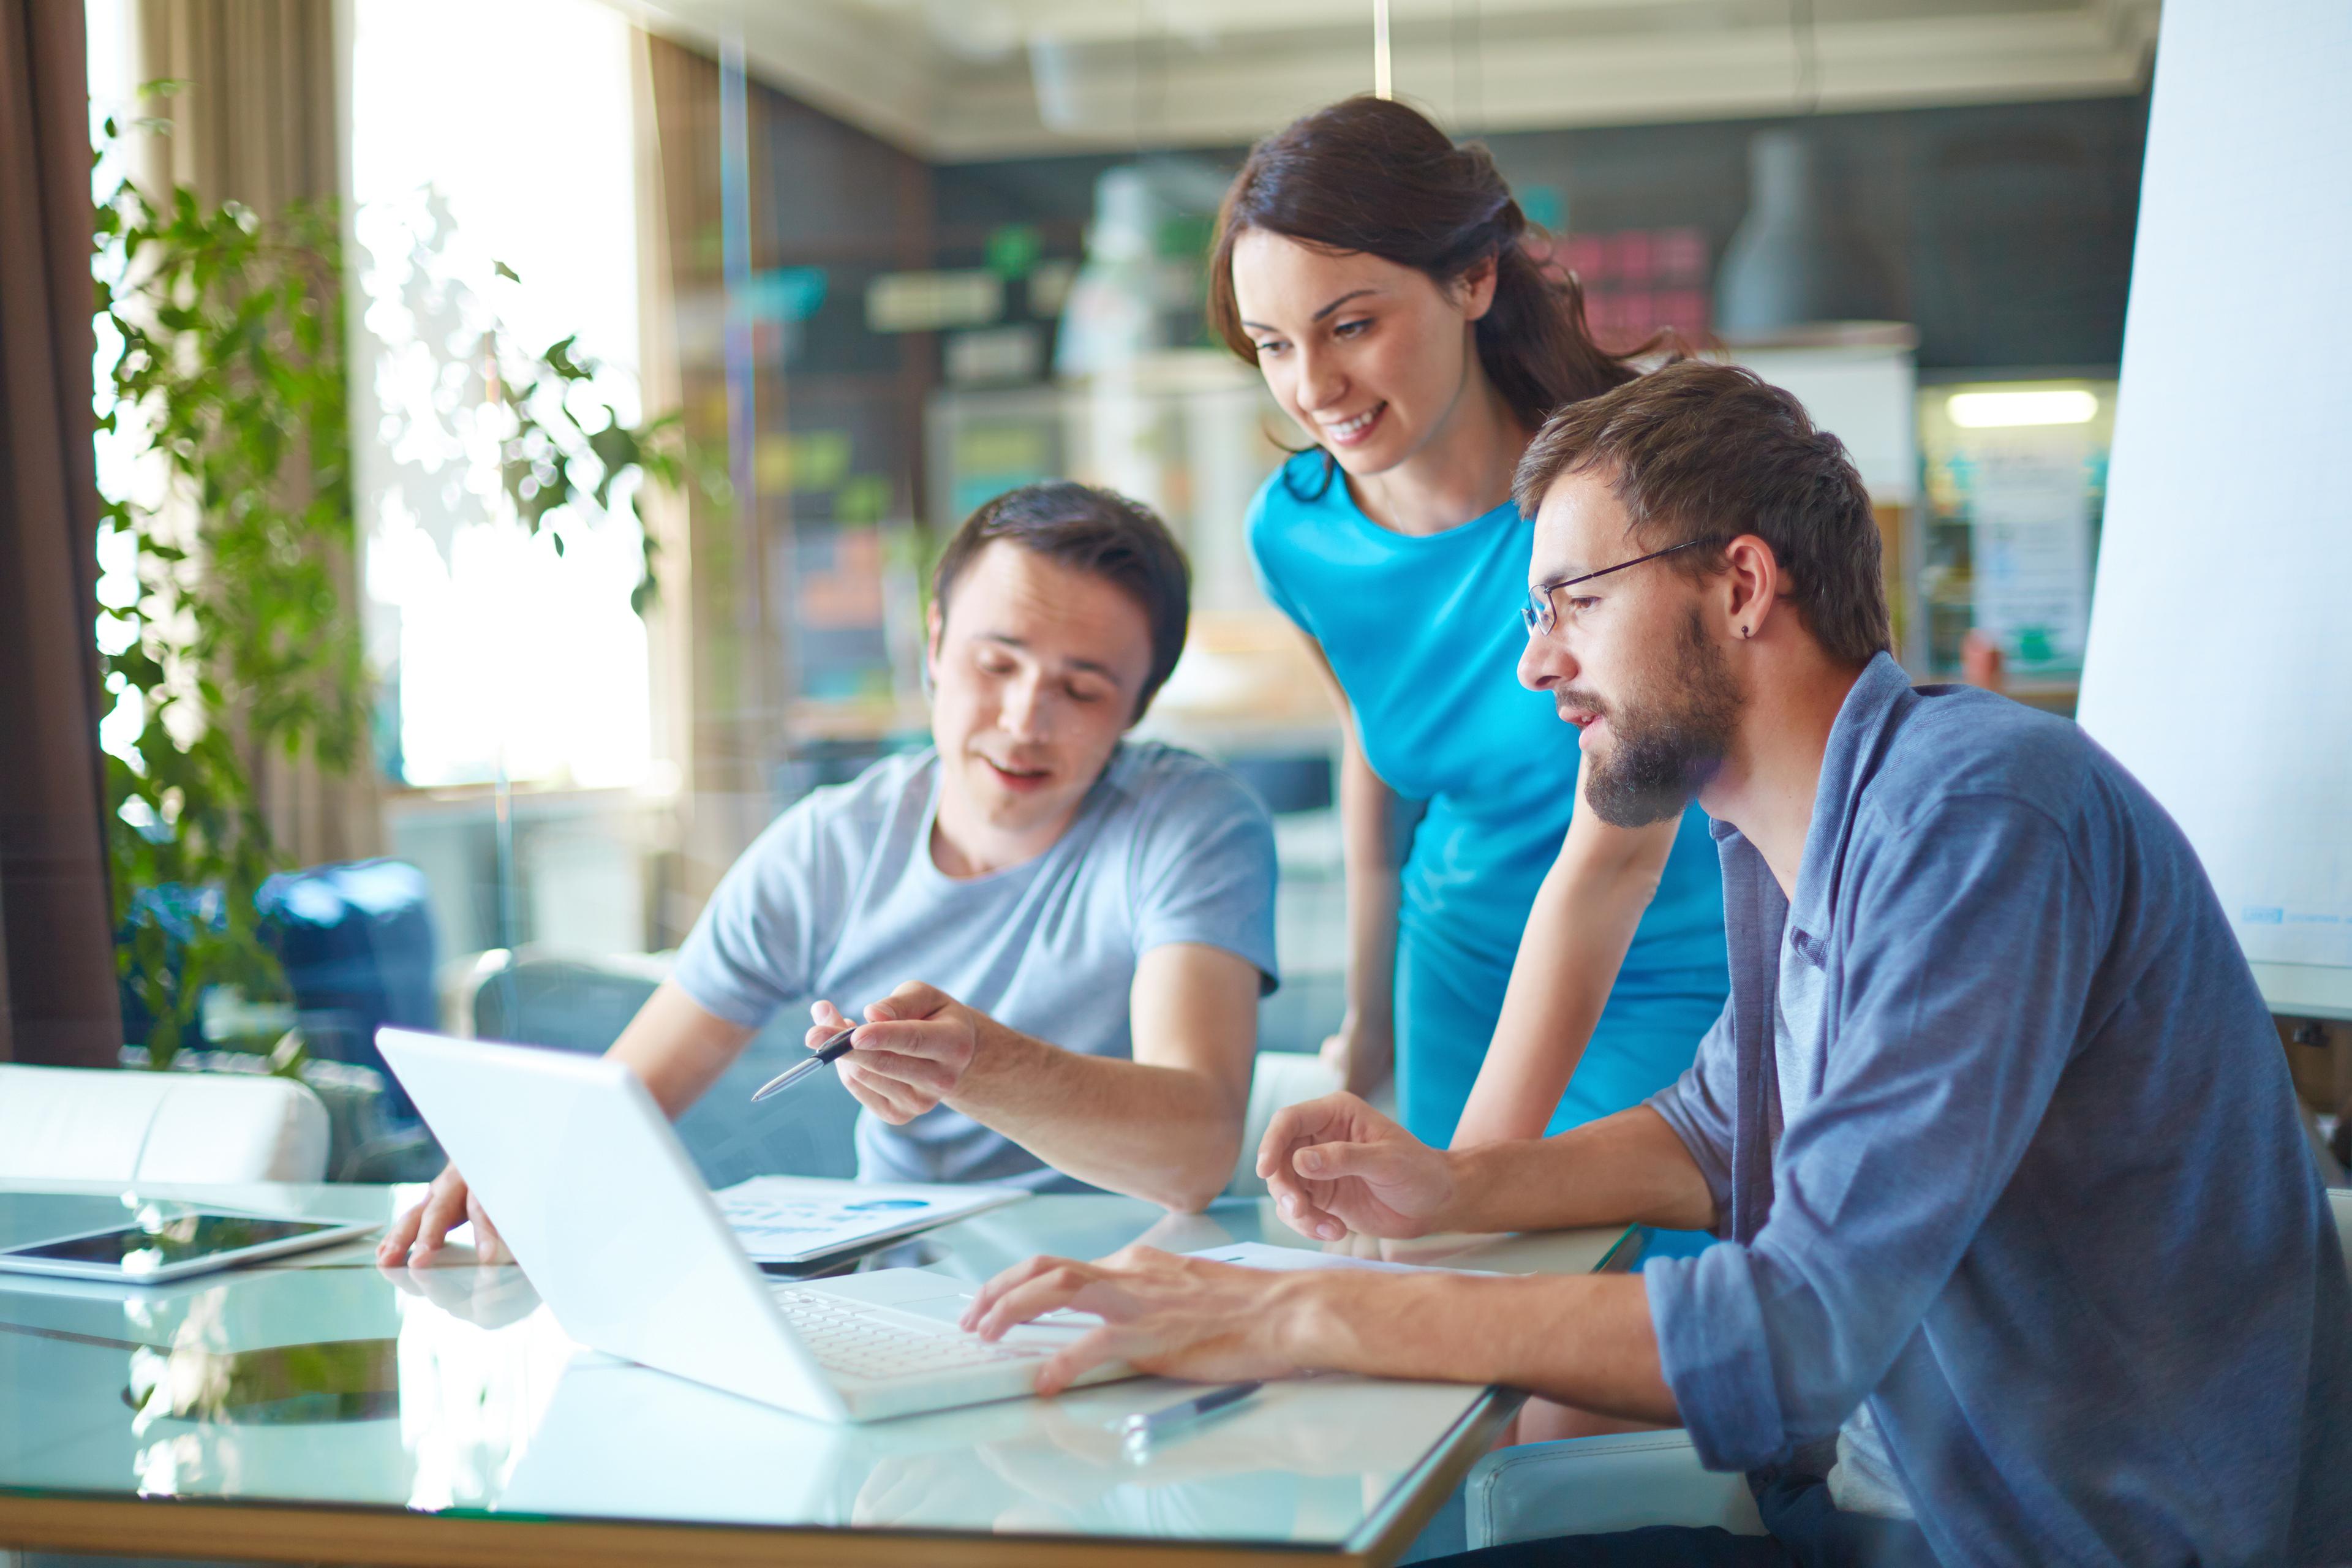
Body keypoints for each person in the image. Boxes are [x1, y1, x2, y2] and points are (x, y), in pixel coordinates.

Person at [960, 362, 2352, 1566]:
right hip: (1881, 1509)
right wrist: (1455, 1183)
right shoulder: (1785, 828)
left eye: (1569, 599)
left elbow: (1799, 1326)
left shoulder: (1978, 815)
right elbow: (1721, 1124)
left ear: (1741, 582)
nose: (1535, 666)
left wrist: (1295, 1306)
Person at [380, 483, 1280, 1264]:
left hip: (1130, 1279)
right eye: (994, 663)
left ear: (1137, 708)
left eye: (1081, 691)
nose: (1023, 719)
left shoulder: (1190, 825)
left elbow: (1193, 1153)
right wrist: (514, 1167)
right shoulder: (828, 846)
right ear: (933, 644)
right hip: (903, 1277)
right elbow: (631, 1096)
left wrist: (978, 1066)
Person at [1212, 96, 1727, 1164]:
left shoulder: (1626, 495)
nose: (1314, 388)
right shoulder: (1296, 534)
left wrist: (1465, 1187)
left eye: (1351, 325)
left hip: (1671, 969)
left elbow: (1620, 862)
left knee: (1578, 1297)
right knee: (1450, 1291)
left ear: (1473, 280)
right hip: (1453, 971)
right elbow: (1377, 751)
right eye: (1273, 344)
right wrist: (1367, 1027)